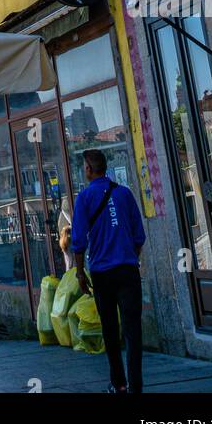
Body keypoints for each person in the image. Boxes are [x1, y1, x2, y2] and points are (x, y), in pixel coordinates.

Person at [72, 148, 146, 395]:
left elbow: (79, 241)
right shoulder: (124, 194)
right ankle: (137, 386)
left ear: (90, 169)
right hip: (127, 270)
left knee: (110, 331)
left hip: (103, 273)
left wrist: (80, 273)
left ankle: (119, 384)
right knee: (133, 330)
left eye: (84, 167)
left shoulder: (84, 198)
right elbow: (139, 235)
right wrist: (128, 257)